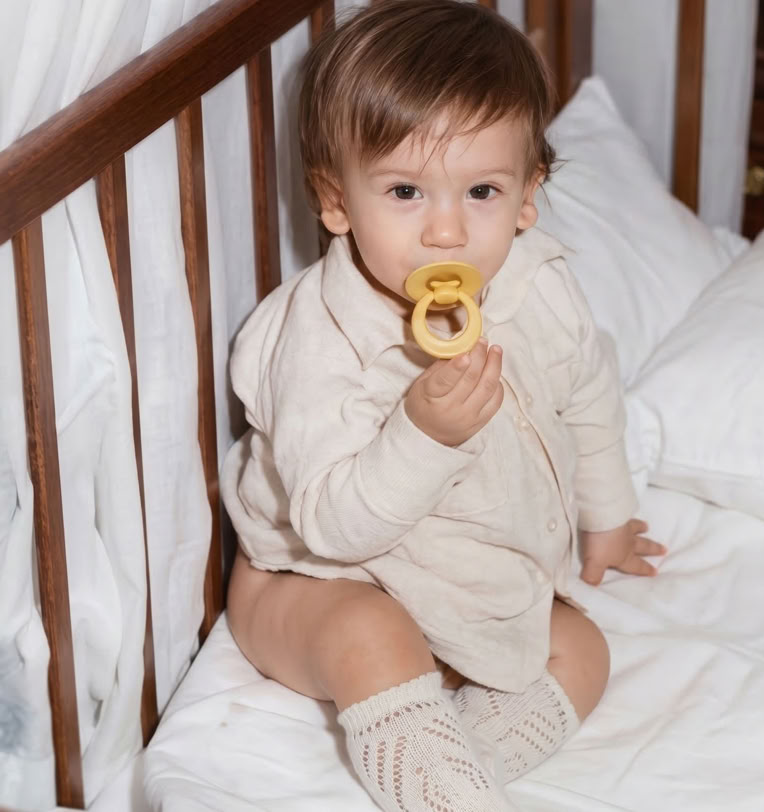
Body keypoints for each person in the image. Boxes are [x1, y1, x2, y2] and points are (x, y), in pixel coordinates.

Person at [220, 1, 665, 809]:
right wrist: (422, 435)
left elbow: (589, 393)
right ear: (335, 201)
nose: (447, 232)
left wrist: (607, 515)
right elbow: (329, 525)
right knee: (371, 635)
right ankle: (448, 795)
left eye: (482, 190)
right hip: (316, 580)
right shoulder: (320, 339)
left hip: (469, 585)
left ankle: (456, 763)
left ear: (528, 196)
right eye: (405, 191)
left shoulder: (541, 284)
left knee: (583, 650)